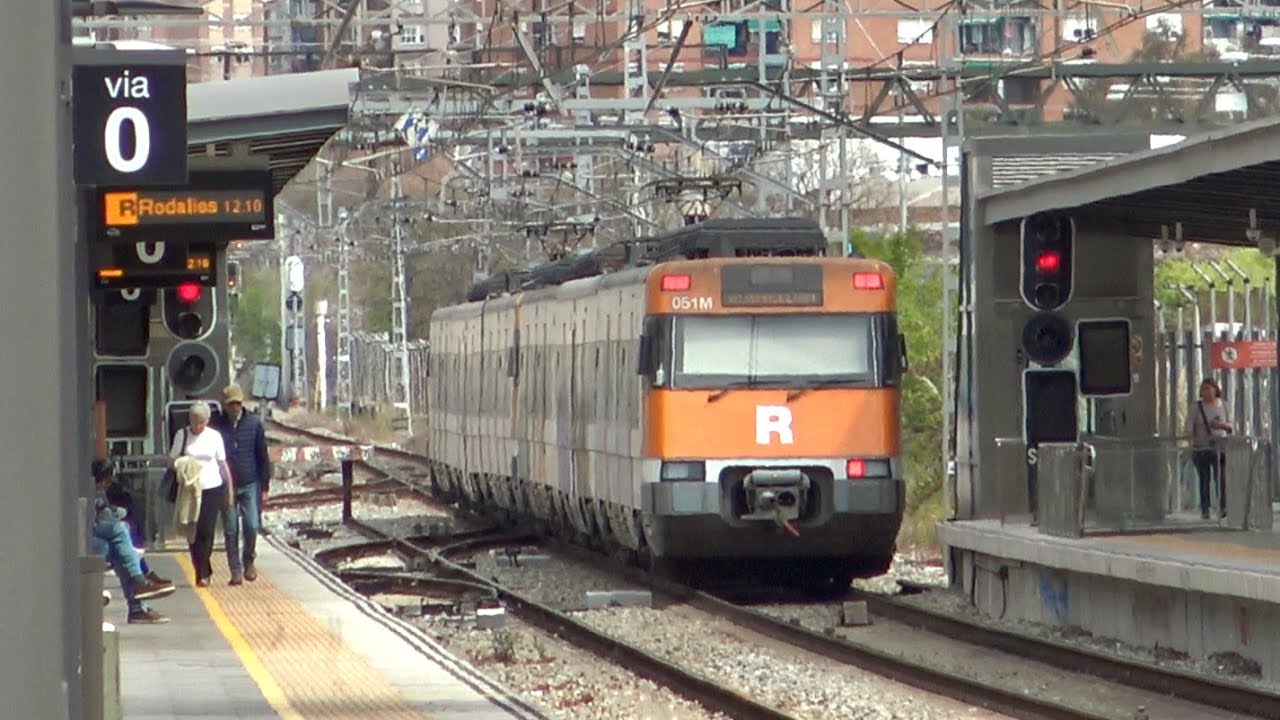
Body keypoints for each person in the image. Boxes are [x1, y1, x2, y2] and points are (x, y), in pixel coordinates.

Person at [92, 459, 172, 623]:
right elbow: (105, 519)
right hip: (82, 536)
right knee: (120, 534)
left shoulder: (95, 492)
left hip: (92, 535)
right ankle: (140, 584)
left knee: (119, 544)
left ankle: (139, 594)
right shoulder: (91, 492)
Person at [169, 402, 235, 587]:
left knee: (207, 530)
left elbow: (223, 464)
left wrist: (229, 490)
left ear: (207, 420)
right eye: (194, 422)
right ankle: (200, 567)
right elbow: (171, 461)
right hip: (190, 489)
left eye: (201, 422)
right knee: (193, 531)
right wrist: (185, 464)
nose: (197, 426)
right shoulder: (182, 435)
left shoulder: (215, 437)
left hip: (212, 487)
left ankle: (203, 572)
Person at [213, 384, 271, 584]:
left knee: (251, 525)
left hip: (249, 481)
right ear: (225, 405)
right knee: (230, 529)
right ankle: (235, 570)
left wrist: (265, 487)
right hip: (226, 484)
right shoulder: (216, 425)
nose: (235, 408)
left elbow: (263, 456)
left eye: (238, 403)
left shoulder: (253, 424)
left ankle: (249, 561)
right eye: (231, 404)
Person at [1187, 378, 1232, 520]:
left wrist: (1222, 426)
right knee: (1204, 480)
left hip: (1221, 449)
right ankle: (1205, 508)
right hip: (1202, 448)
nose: (1206, 392)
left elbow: (1231, 426)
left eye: (1209, 388)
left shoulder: (1224, 405)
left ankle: (1223, 507)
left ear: (1215, 389)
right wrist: (1190, 440)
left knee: (1222, 479)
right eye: (1203, 389)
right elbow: (1189, 427)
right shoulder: (1196, 407)